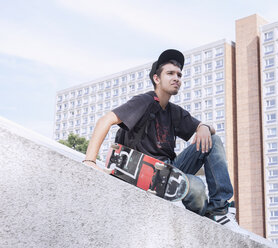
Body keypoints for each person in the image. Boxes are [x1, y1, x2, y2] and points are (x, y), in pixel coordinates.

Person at [83, 49, 239, 230]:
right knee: (196, 187)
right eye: (170, 73)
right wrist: (89, 161)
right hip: (144, 172)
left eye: (179, 75)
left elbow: (207, 129)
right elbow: (105, 120)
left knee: (213, 140)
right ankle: (203, 219)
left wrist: (203, 127)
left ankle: (219, 211)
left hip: (170, 170)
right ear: (157, 79)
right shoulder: (144, 101)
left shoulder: (174, 112)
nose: (177, 78)